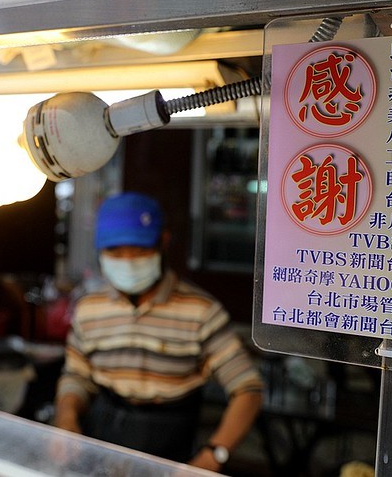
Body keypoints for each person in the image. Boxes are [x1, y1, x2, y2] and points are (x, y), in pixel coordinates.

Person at [54, 192, 263, 473]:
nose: (127, 260)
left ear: (163, 242)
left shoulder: (200, 312)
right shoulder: (90, 309)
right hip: (102, 440)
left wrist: (212, 457)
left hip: (172, 445)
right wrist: (66, 419)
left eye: (139, 250)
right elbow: (77, 375)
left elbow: (247, 389)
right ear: (100, 252)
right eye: (115, 251)